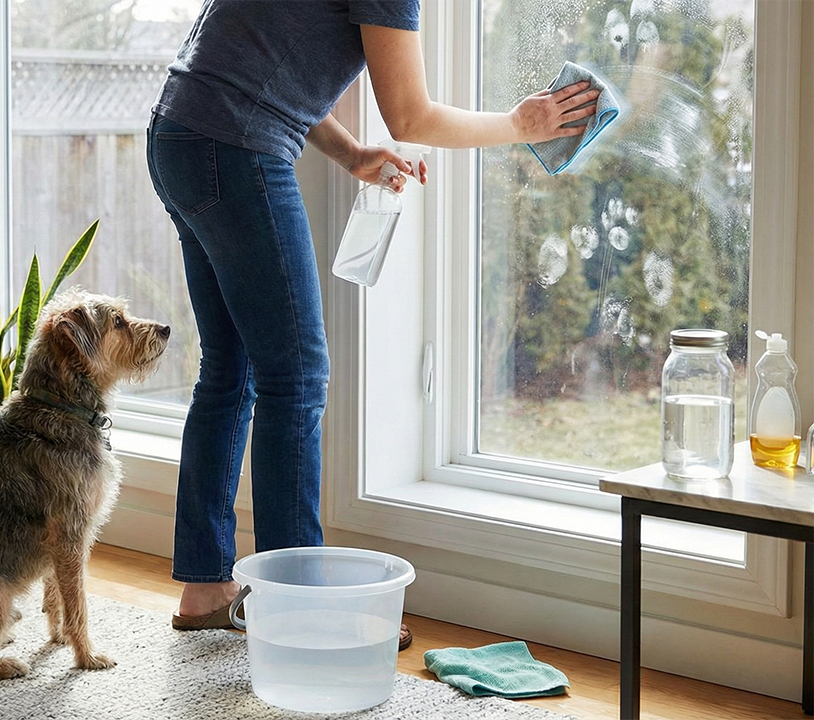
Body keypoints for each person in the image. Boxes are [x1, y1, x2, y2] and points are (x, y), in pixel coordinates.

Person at [145, 0, 598, 644]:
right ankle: (298, 606)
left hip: (180, 135)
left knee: (230, 367)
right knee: (296, 376)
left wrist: (352, 152)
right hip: (234, 149)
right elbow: (411, 115)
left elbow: (260, 65)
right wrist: (522, 123)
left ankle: (206, 587)